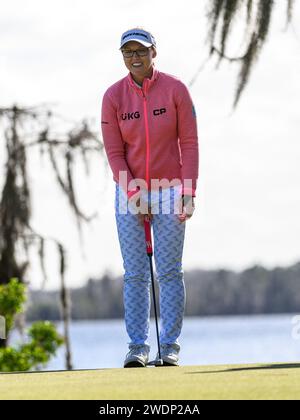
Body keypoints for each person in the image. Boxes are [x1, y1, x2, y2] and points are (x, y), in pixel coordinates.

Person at [101, 27, 199, 367]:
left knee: (170, 271)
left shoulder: (175, 90)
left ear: (154, 52)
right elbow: (114, 153)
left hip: (171, 188)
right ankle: (138, 347)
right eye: (128, 52)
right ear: (122, 56)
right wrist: (133, 193)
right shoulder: (113, 97)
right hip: (129, 191)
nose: (134, 57)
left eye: (140, 50)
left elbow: (189, 142)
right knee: (135, 273)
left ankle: (169, 346)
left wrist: (188, 191)